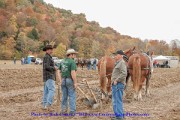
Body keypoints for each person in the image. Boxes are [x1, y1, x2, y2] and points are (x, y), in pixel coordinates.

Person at [58, 49, 78, 115]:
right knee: (72, 95)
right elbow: (73, 72)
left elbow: (58, 71)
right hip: (69, 80)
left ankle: (63, 110)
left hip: (63, 80)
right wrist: (75, 82)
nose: (75, 55)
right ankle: (72, 111)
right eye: (74, 54)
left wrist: (60, 80)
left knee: (64, 96)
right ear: (71, 54)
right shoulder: (72, 62)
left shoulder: (62, 61)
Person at [111, 50, 127, 120]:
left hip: (118, 84)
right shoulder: (118, 63)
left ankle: (120, 117)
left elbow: (124, 73)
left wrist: (116, 80)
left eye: (117, 55)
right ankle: (117, 115)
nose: (115, 56)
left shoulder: (122, 63)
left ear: (121, 55)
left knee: (117, 100)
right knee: (115, 100)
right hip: (115, 85)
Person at [42, 45, 58, 110]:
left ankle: (44, 105)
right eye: (50, 49)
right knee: (52, 90)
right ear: (47, 50)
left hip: (46, 76)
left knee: (46, 91)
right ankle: (48, 105)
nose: (52, 50)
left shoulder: (47, 57)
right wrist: (54, 68)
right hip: (49, 76)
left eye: (51, 49)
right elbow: (47, 67)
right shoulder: (47, 57)